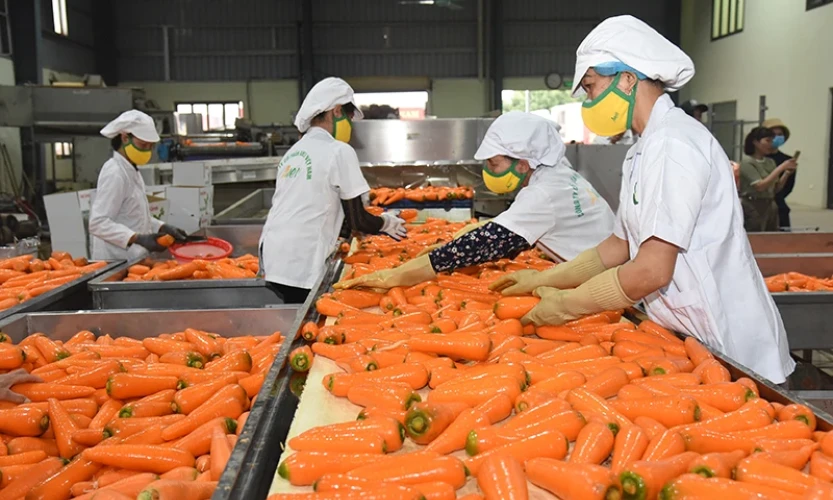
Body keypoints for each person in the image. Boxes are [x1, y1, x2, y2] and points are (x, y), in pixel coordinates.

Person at [492, 15, 794, 384]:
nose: (589, 101)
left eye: (590, 87)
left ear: (628, 79)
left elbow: (652, 269)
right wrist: (549, 278)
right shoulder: (645, 148)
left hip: (727, 341)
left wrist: (568, 306)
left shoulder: (674, 145)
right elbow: (619, 246)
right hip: (687, 334)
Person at [335, 111, 615, 290]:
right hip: (599, 274)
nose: (488, 172)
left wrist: (397, 276)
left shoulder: (543, 193)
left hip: (608, 285)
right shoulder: (556, 173)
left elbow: (485, 245)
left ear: (523, 163)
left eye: (493, 164)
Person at [258, 77, 407, 304]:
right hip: (303, 261)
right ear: (336, 111)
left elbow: (323, 204)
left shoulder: (293, 152)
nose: (350, 124)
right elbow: (358, 220)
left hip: (273, 256)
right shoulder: (338, 151)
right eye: (348, 116)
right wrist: (386, 223)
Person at [89, 110, 188, 261]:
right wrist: (138, 239)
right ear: (124, 138)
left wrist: (162, 227)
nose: (147, 151)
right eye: (143, 145)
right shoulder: (115, 172)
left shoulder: (132, 171)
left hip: (133, 260)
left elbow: (134, 215)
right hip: (115, 261)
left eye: (150, 146)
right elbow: (98, 223)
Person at [738, 127, 796, 232]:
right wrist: (781, 168)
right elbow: (760, 186)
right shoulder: (747, 163)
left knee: (771, 237)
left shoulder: (770, 162)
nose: (771, 144)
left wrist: (786, 173)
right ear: (756, 142)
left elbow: (776, 188)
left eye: (772, 141)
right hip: (753, 205)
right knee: (755, 236)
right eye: (767, 141)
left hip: (770, 204)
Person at [763, 118, 797, 229]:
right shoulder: (754, 160)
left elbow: (788, 187)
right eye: (773, 134)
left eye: (780, 134)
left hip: (780, 207)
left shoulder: (788, 160)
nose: (776, 137)